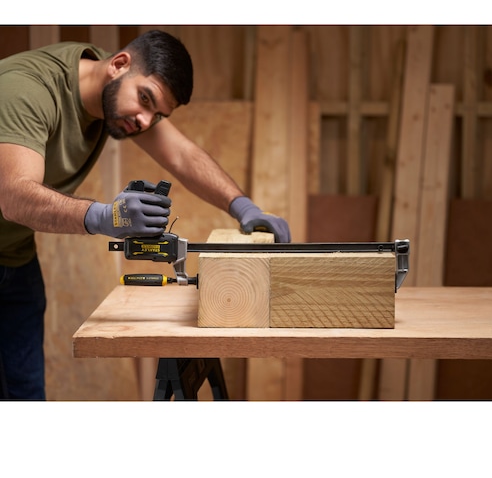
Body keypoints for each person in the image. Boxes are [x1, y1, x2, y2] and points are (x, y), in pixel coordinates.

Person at [0, 29, 291, 400]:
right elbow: (13, 198)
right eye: (145, 100)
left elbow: (182, 156)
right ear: (119, 64)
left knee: (24, 396)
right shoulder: (26, 90)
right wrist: (104, 217)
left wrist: (242, 206)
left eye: (156, 115)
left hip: (15, 257)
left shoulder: (118, 86)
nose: (143, 120)